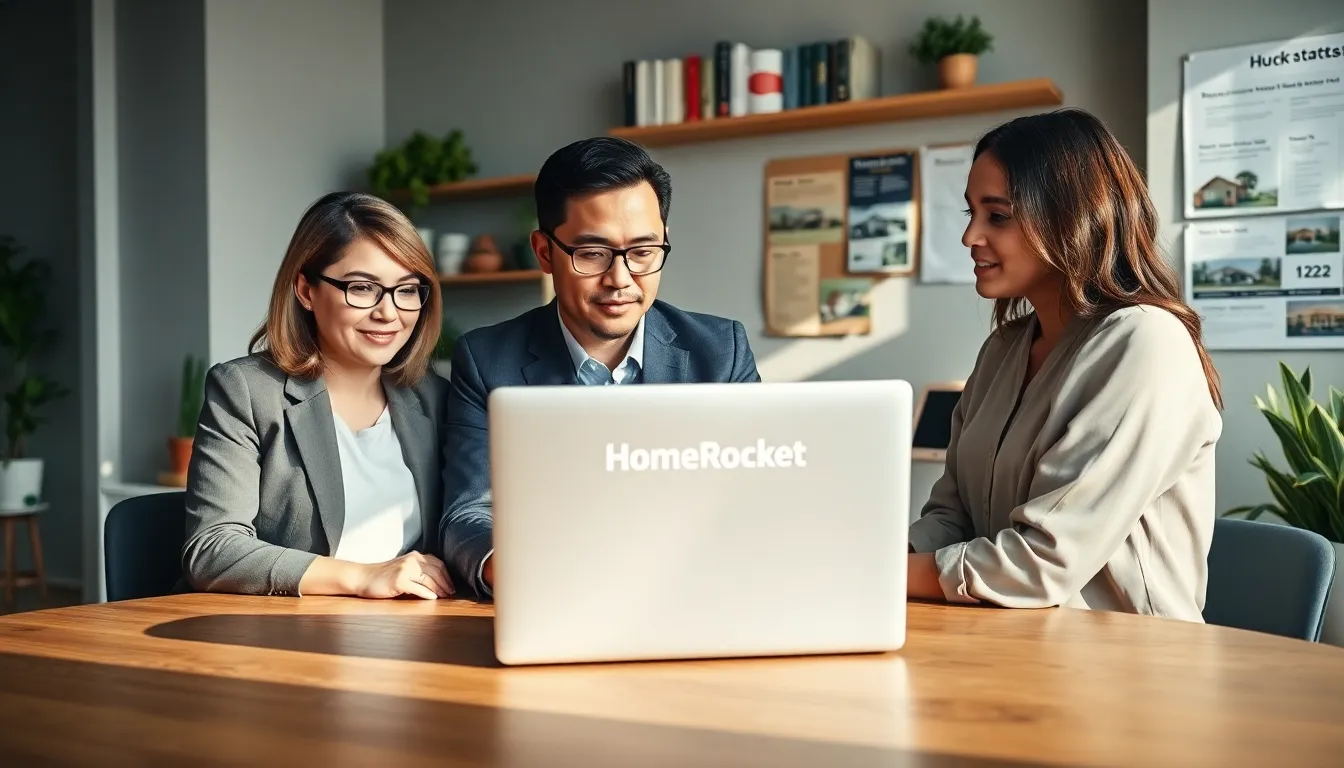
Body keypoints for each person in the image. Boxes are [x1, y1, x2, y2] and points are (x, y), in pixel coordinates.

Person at [906, 108, 1223, 622]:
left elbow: (1041, 564)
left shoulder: (1145, 342)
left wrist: (881, 574)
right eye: (971, 214)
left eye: (998, 216)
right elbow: (951, 515)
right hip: (1007, 643)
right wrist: (877, 555)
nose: (971, 238)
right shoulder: (1003, 349)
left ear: (1071, 217)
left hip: (1132, 668)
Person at [441, 136, 761, 599]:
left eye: (644, 252)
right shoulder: (487, 359)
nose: (621, 279)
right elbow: (468, 512)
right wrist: (509, 568)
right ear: (545, 252)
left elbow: (754, 493)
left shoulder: (721, 351)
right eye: (592, 253)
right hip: (556, 593)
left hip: (696, 590)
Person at [182, 191, 455, 600]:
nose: (389, 312)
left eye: (408, 289)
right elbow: (213, 549)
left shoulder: (435, 397)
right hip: (287, 637)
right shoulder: (248, 391)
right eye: (363, 288)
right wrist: (363, 577)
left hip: (414, 632)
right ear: (306, 290)